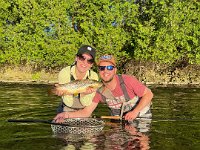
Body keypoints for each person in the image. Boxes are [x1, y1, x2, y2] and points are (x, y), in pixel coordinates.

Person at [54, 54, 153, 122]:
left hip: (142, 118)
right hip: (120, 121)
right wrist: (65, 115)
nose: (106, 71)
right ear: (99, 71)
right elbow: (86, 112)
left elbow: (149, 94)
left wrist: (135, 112)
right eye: (102, 68)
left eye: (109, 68)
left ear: (115, 70)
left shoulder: (128, 80)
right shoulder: (98, 90)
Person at [54, 45, 99, 113]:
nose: (85, 62)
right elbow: (69, 102)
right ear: (76, 58)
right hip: (67, 107)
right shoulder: (64, 72)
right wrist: (60, 91)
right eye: (82, 58)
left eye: (89, 60)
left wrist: (84, 94)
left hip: (84, 109)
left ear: (92, 64)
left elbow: (86, 103)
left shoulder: (94, 76)